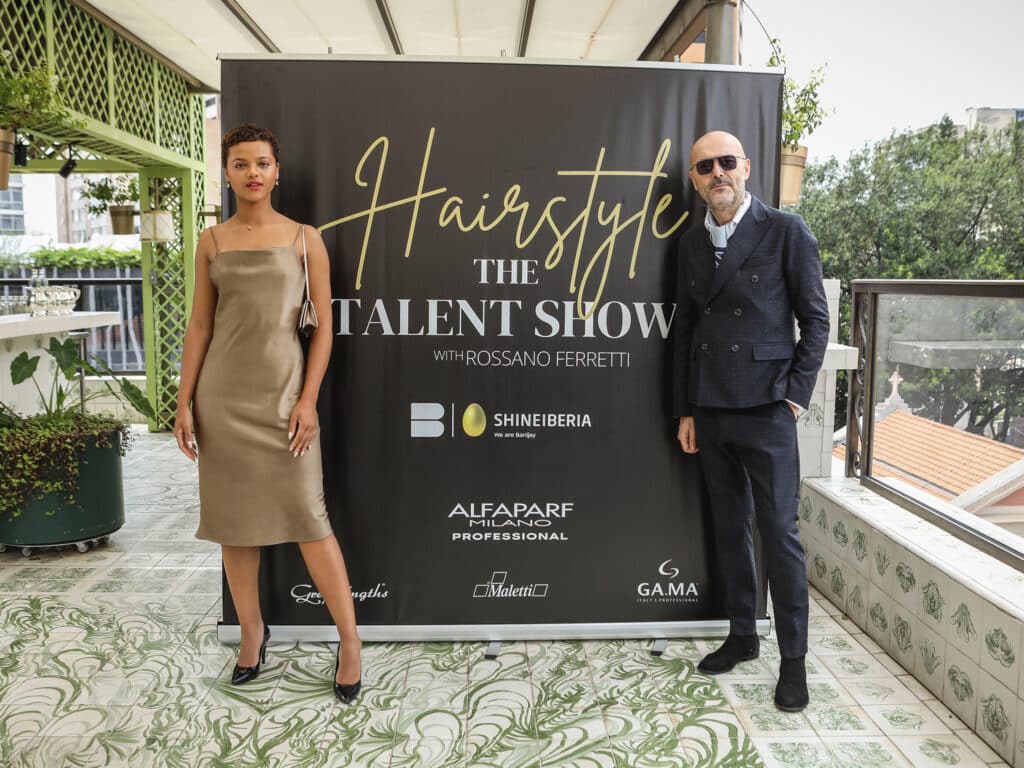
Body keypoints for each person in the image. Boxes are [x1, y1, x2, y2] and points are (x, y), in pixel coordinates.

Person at [173, 123, 362, 704]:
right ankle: (251, 633)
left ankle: (350, 642)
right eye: (239, 164)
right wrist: (182, 400)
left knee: (311, 520)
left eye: (261, 163)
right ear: (226, 174)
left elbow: (325, 326)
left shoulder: (306, 239)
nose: (252, 172)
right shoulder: (212, 241)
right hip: (222, 399)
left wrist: (307, 400)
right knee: (235, 525)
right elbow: (201, 325)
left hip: (285, 398)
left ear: (277, 171)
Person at [673, 130, 829, 712]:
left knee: (780, 536)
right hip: (711, 408)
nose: (717, 173)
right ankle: (742, 635)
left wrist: (793, 396)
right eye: (705, 166)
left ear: (746, 169)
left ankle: (793, 661)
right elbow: (684, 331)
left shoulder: (787, 231)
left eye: (726, 163)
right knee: (729, 527)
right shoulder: (692, 243)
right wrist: (685, 408)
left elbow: (816, 322)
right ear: (694, 179)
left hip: (767, 408)